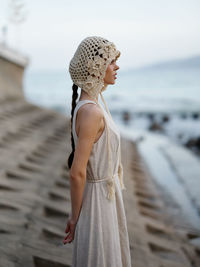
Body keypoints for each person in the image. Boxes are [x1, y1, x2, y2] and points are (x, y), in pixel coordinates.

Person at [63, 36, 132, 267]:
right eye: (111, 61)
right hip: (98, 204)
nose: (116, 66)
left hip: (105, 199)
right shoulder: (92, 112)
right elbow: (77, 172)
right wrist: (75, 217)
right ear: (96, 68)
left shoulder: (91, 106)